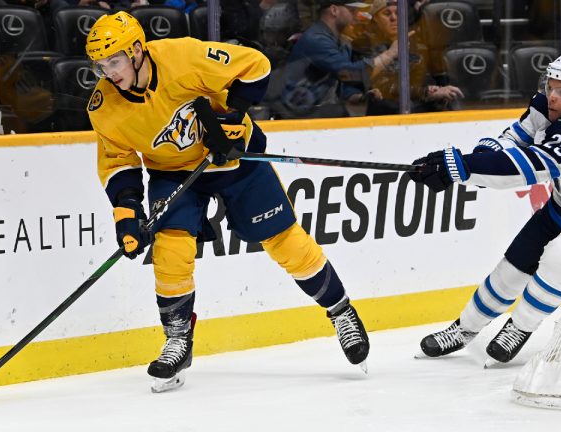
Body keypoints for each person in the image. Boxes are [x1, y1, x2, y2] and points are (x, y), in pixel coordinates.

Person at [84, 11, 370, 392]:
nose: (108, 73)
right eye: (100, 66)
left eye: (114, 61)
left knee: (285, 241)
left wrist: (231, 120)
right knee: (170, 250)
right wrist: (127, 216)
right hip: (174, 173)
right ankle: (178, 339)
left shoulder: (182, 57)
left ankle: (340, 310)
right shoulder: (103, 107)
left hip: (233, 159)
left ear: (137, 50)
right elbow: (118, 162)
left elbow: (256, 66)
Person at [408, 51, 561, 365]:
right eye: (550, 86)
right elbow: (517, 138)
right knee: (512, 268)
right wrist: (481, 157)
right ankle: (464, 329)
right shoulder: (550, 105)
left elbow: (528, 167)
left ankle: (520, 327)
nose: (552, 96)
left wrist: (461, 166)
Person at [280, 0, 395, 118]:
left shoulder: (341, 42)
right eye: (352, 11)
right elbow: (350, 73)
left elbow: (341, 81)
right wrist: (389, 54)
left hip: (319, 111)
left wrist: (357, 97)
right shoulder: (316, 40)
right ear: (334, 10)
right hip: (298, 115)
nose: (357, 16)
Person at [347, 0, 462, 115]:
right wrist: (425, 92)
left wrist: (437, 88)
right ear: (375, 19)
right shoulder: (364, 44)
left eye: (398, 13)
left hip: (417, 101)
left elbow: (427, 76)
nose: (394, 18)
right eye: (387, 13)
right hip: (387, 108)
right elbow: (381, 87)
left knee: (450, 98)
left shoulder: (416, 41)